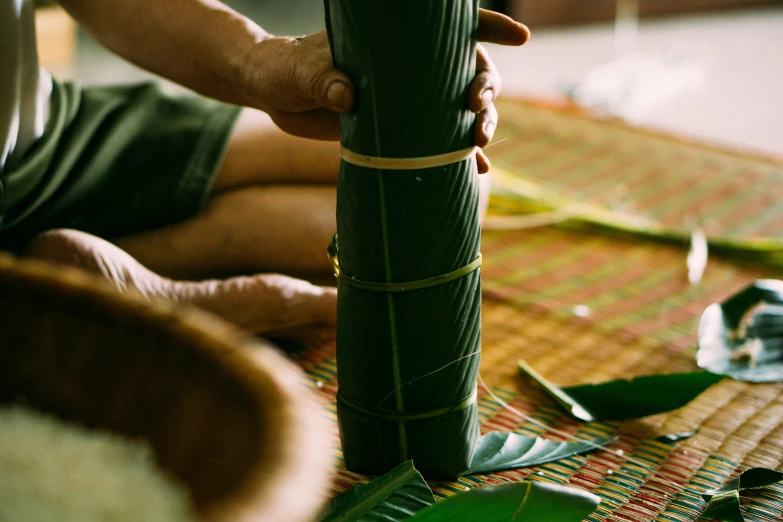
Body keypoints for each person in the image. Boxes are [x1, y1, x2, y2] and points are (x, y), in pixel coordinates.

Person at [1, 0, 530, 337]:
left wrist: (260, 59)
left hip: (45, 126)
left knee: (447, 194)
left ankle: (49, 279)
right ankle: (54, 287)